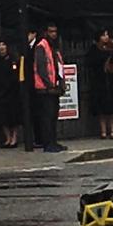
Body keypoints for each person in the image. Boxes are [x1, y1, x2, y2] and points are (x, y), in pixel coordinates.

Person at [86, 29, 113, 140]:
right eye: (103, 35)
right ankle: (103, 131)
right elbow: (90, 62)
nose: (106, 37)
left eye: (107, 35)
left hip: (112, 80)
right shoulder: (94, 49)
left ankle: (112, 131)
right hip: (99, 81)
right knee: (101, 108)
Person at [33, 22, 66, 153]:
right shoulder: (41, 46)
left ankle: (53, 142)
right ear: (45, 32)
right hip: (45, 89)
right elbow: (41, 69)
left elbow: (58, 67)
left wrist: (60, 83)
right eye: (51, 32)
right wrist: (49, 84)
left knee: (53, 117)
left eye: (55, 32)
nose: (54, 34)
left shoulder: (54, 48)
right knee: (47, 117)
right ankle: (48, 143)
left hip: (53, 88)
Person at [0, 39, 22, 147]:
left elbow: (14, 76)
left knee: (13, 116)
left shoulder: (12, 60)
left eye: (3, 45)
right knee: (2, 117)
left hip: (12, 92)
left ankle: (14, 138)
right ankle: (8, 138)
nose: (1, 47)